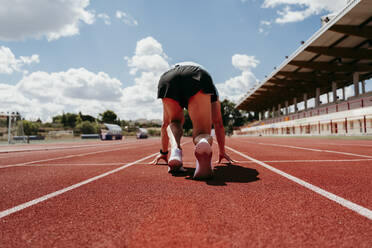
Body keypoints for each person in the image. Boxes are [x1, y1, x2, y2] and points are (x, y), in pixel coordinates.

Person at [151, 62, 235, 179]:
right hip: (197, 76)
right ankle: (202, 142)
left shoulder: (174, 70)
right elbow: (218, 123)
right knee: (201, 132)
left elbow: (165, 124)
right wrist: (222, 151)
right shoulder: (213, 89)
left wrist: (164, 152)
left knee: (174, 121)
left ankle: (175, 150)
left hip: (168, 77)